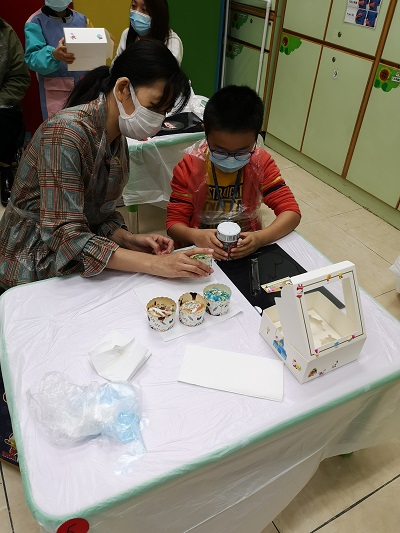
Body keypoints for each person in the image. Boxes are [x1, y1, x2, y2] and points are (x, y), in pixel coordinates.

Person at [0, 40, 213, 292]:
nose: (157, 120)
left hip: (70, 254)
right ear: (123, 88)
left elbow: (96, 211)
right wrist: (157, 264)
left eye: (164, 112)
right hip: (31, 261)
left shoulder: (115, 137)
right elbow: (65, 235)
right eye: (154, 107)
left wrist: (129, 239)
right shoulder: (65, 133)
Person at [166, 85, 301, 260]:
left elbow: (291, 212)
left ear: (255, 137)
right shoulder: (190, 167)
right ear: (205, 131)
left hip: (246, 248)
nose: (231, 159)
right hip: (200, 250)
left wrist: (260, 238)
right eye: (220, 151)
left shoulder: (260, 163)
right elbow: (173, 224)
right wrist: (195, 236)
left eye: (242, 152)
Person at [24, 0, 93, 120]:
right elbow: (32, 58)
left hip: (83, 89)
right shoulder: (35, 21)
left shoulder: (83, 20)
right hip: (56, 93)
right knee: (59, 133)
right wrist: (53, 55)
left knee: (84, 131)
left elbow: (92, 49)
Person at [0, 19, 30, 208]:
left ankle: (5, 172)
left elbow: (19, 77)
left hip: (2, 101)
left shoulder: (5, 32)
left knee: (5, 119)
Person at [114, 0, 183, 65]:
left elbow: (165, 74)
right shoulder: (127, 34)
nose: (136, 12)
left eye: (144, 9)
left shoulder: (171, 42)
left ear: (158, 13)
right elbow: (115, 68)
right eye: (134, 5)